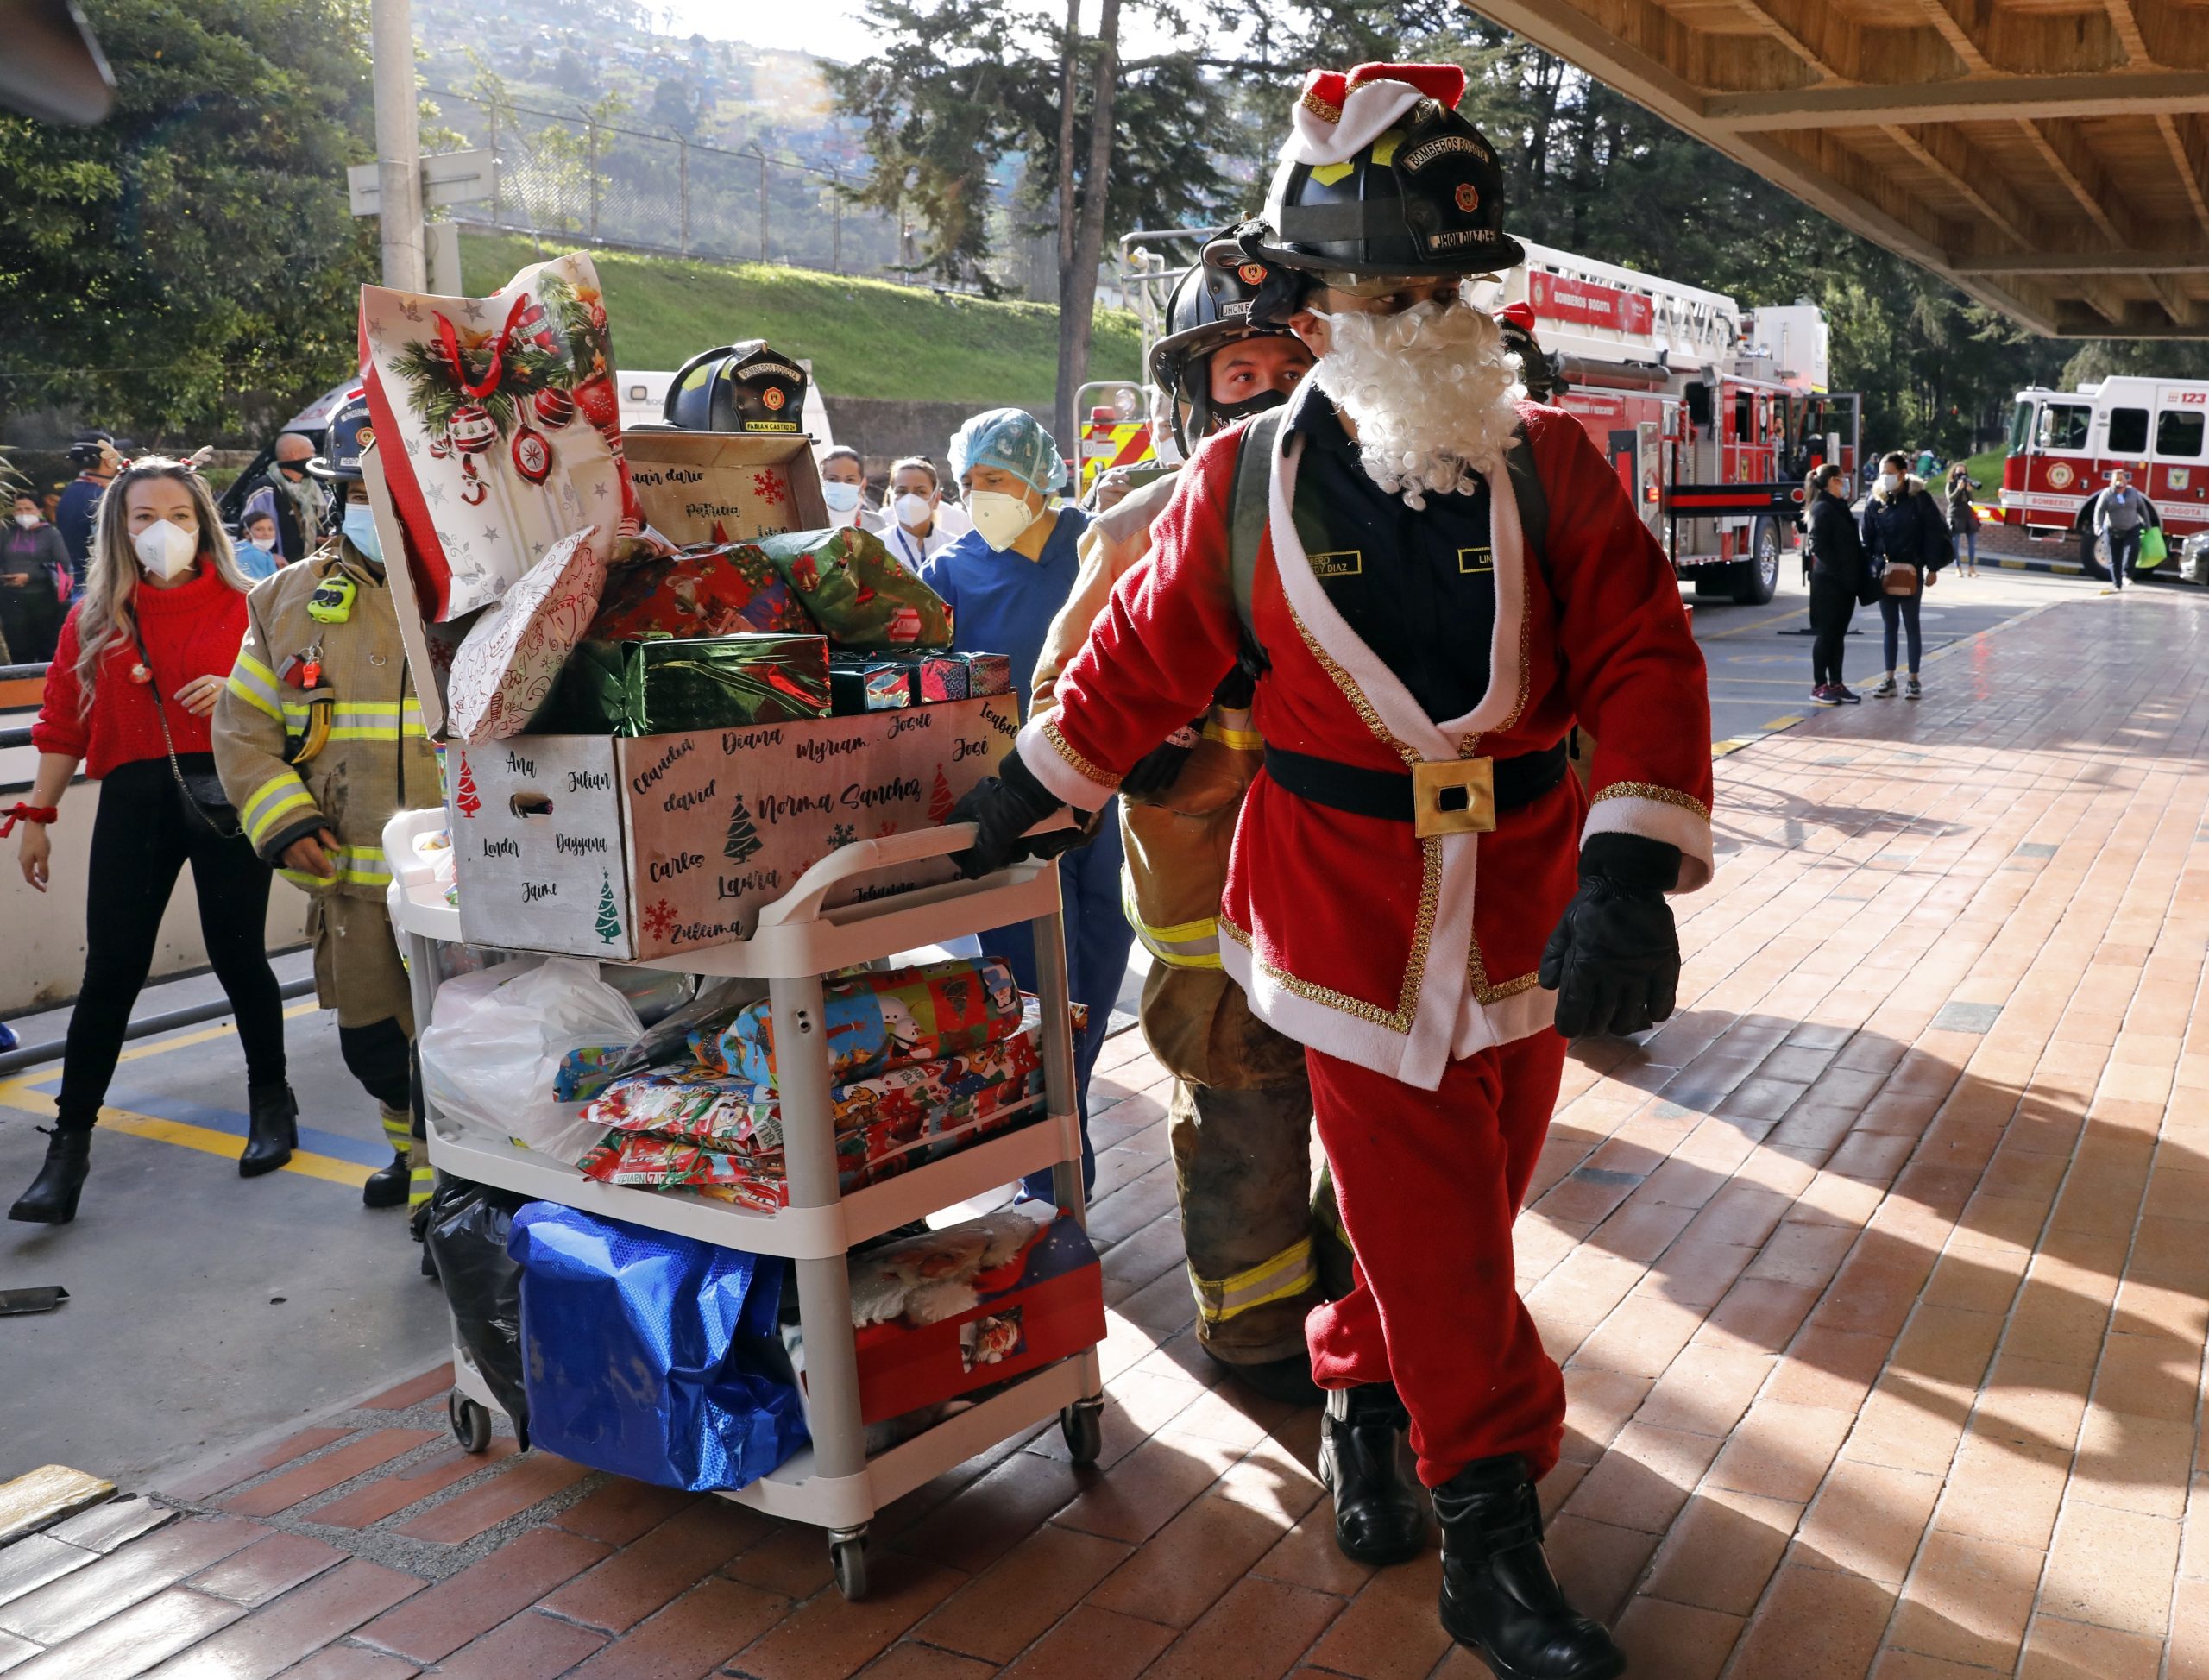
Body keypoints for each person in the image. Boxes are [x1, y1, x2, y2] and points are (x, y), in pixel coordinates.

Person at [949, 63, 1710, 1677]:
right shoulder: (1239, 485)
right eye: (1387, 289)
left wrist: (1631, 869)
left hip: (1525, 902)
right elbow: (1135, 661)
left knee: (1465, 1203)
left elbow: (1645, 648)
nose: (1422, 315)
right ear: (1316, 305)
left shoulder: (1555, 464)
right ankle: (1492, 1539)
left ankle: (1359, 1392)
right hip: (1341, 910)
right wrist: (1023, 793)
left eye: (1443, 288)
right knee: (1440, 1230)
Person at [1029, 238, 1330, 1404]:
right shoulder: (1136, 529)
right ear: (1194, 399)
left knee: (1377, 1126)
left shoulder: (1384, 514)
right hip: (1210, 907)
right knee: (1244, 1119)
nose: (1270, 396)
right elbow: (1059, 709)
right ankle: (1256, 1337)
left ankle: (1365, 1320)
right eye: (1241, 376)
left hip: (1357, 896)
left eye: (1291, 370)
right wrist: (1166, 733)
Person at [9, 456, 295, 1225]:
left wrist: (238, 693)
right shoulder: (93, 618)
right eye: (143, 516)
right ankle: (67, 1148)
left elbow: (298, 702)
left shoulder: (252, 604)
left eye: (178, 514)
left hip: (228, 792)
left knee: (238, 955)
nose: (161, 529)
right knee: (111, 971)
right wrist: (37, 815)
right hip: (133, 799)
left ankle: (272, 1102)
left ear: (203, 523)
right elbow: (63, 721)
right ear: (119, 526)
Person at [213, 398, 439, 1226]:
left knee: (458, 1046)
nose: (378, 509)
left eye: (395, 493)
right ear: (339, 495)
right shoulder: (285, 600)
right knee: (373, 1046)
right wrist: (287, 824)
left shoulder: (472, 591)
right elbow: (243, 731)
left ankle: (442, 1192)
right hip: (352, 885)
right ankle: (409, 1151)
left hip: (465, 888)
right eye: (361, 492)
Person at [920, 408, 1135, 1203]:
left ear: (1041, 479)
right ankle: (1050, 1181)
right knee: (1036, 987)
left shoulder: (1096, 545)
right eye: (969, 481)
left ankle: (1061, 1140)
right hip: (1012, 806)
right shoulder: (950, 573)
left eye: (998, 479)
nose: (980, 495)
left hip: (1108, 796)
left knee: (1100, 966)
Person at [1860, 450, 1951, 697]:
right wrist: (1869, 568)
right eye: (1882, 473)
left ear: (1902, 473)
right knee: (1889, 626)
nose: (1885, 478)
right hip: (1885, 571)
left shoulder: (1919, 499)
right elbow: (1867, 538)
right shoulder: (1876, 501)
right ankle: (1889, 679)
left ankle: (1913, 680)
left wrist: (1933, 567)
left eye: (1890, 473)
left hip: (1912, 570)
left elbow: (1934, 534)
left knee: (1912, 625)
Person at [1804, 465, 1866, 706]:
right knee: (1827, 634)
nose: (1846, 484)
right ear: (1832, 481)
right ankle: (1819, 685)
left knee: (1838, 635)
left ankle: (1836, 683)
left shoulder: (1839, 507)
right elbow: (1818, 545)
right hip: (1829, 583)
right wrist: (1840, 570)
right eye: (1842, 479)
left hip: (1845, 582)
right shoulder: (1822, 508)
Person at [3, 488, 70, 663]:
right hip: (12, 600)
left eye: (28, 509)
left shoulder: (51, 534)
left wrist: (31, 577)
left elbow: (62, 565)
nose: (23, 513)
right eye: (19, 509)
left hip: (44, 600)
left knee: (47, 646)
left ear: (39, 510)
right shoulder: (7, 533)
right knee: (18, 646)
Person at [54, 431, 120, 595]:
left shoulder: (69, 493)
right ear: (107, 460)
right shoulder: (102, 498)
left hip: (80, 587)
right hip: (103, 591)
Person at [865, 456, 961, 569]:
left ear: (936, 499)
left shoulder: (954, 548)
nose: (910, 499)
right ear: (891, 497)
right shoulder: (875, 547)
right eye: (902, 491)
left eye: (921, 491)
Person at [2095, 468, 2151, 592]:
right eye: (2116, 479)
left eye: (2122, 479)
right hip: (2112, 529)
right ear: (2111, 482)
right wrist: (2097, 526)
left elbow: (2142, 508)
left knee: (2133, 549)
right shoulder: (2107, 494)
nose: (2119, 483)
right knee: (2114, 558)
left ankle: (2126, 575)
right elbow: (2099, 510)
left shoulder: (2133, 493)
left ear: (2126, 481)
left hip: (2132, 528)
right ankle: (2117, 585)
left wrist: (2147, 524)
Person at [817, 445, 872, 531]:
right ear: (820, 481)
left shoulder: (878, 524)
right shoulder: (804, 524)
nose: (841, 485)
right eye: (832, 479)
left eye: (850, 479)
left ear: (863, 484)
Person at [1945, 462, 1980, 578]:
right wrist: (1958, 489)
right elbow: (1951, 499)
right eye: (1958, 470)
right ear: (1954, 472)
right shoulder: (1950, 484)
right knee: (1955, 544)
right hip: (1955, 514)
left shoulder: (1967, 483)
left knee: (1972, 543)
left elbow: (1972, 501)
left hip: (1967, 514)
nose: (1961, 472)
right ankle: (1958, 568)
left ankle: (1971, 568)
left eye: (1963, 470)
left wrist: (1969, 491)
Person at [232, 509, 283, 582]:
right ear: (247, 533)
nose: (266, 533)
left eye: (270, 529)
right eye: (259, 529)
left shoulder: (266, 554)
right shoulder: (252, 555)